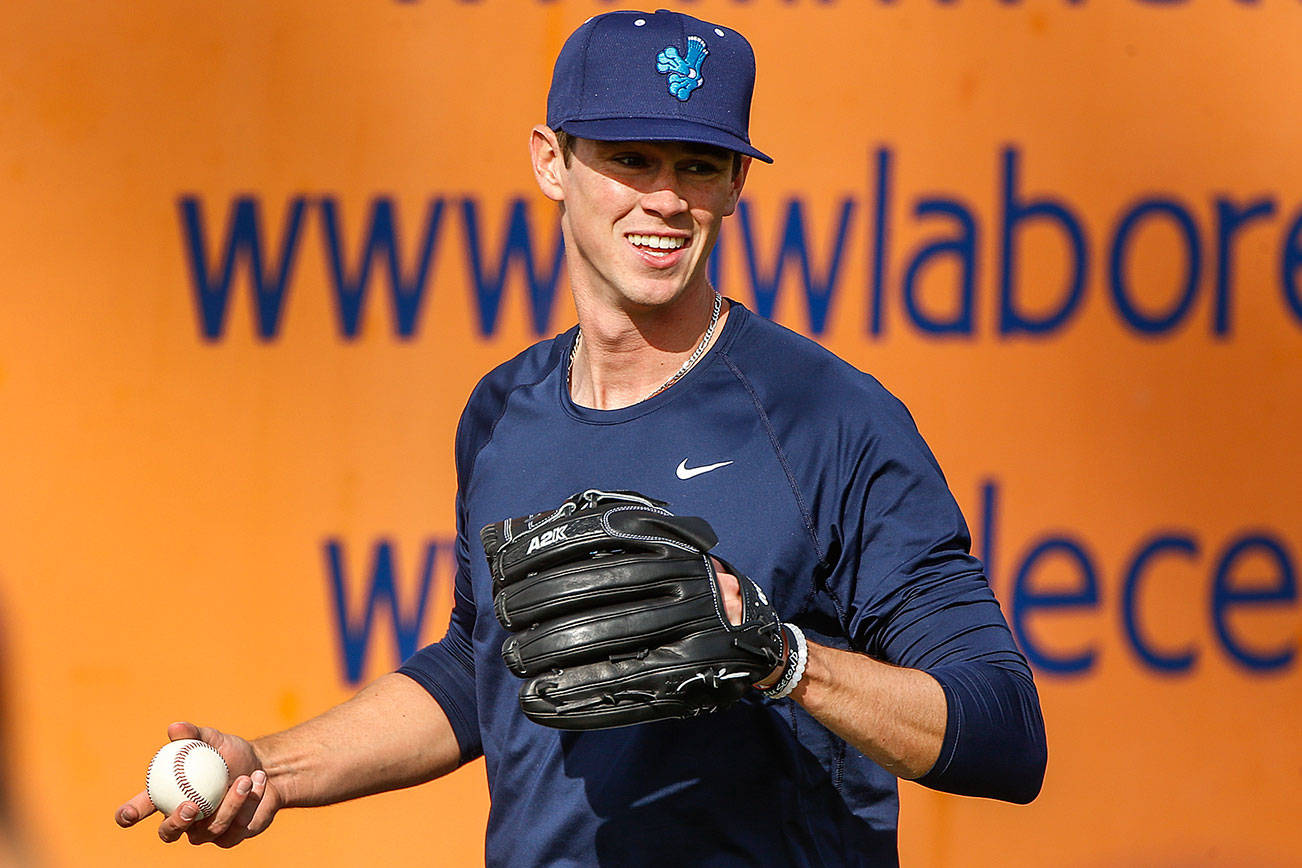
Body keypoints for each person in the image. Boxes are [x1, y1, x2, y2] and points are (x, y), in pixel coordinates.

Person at [117, 10, 1046, 865]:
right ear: (551, 161)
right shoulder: (500, 412)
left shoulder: (826, 417)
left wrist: (781, 658)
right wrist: (267, 768)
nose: (666, 200)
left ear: (738, 185)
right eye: (631, 159)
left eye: (699, 165)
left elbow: (1004, 731)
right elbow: (479, 669)